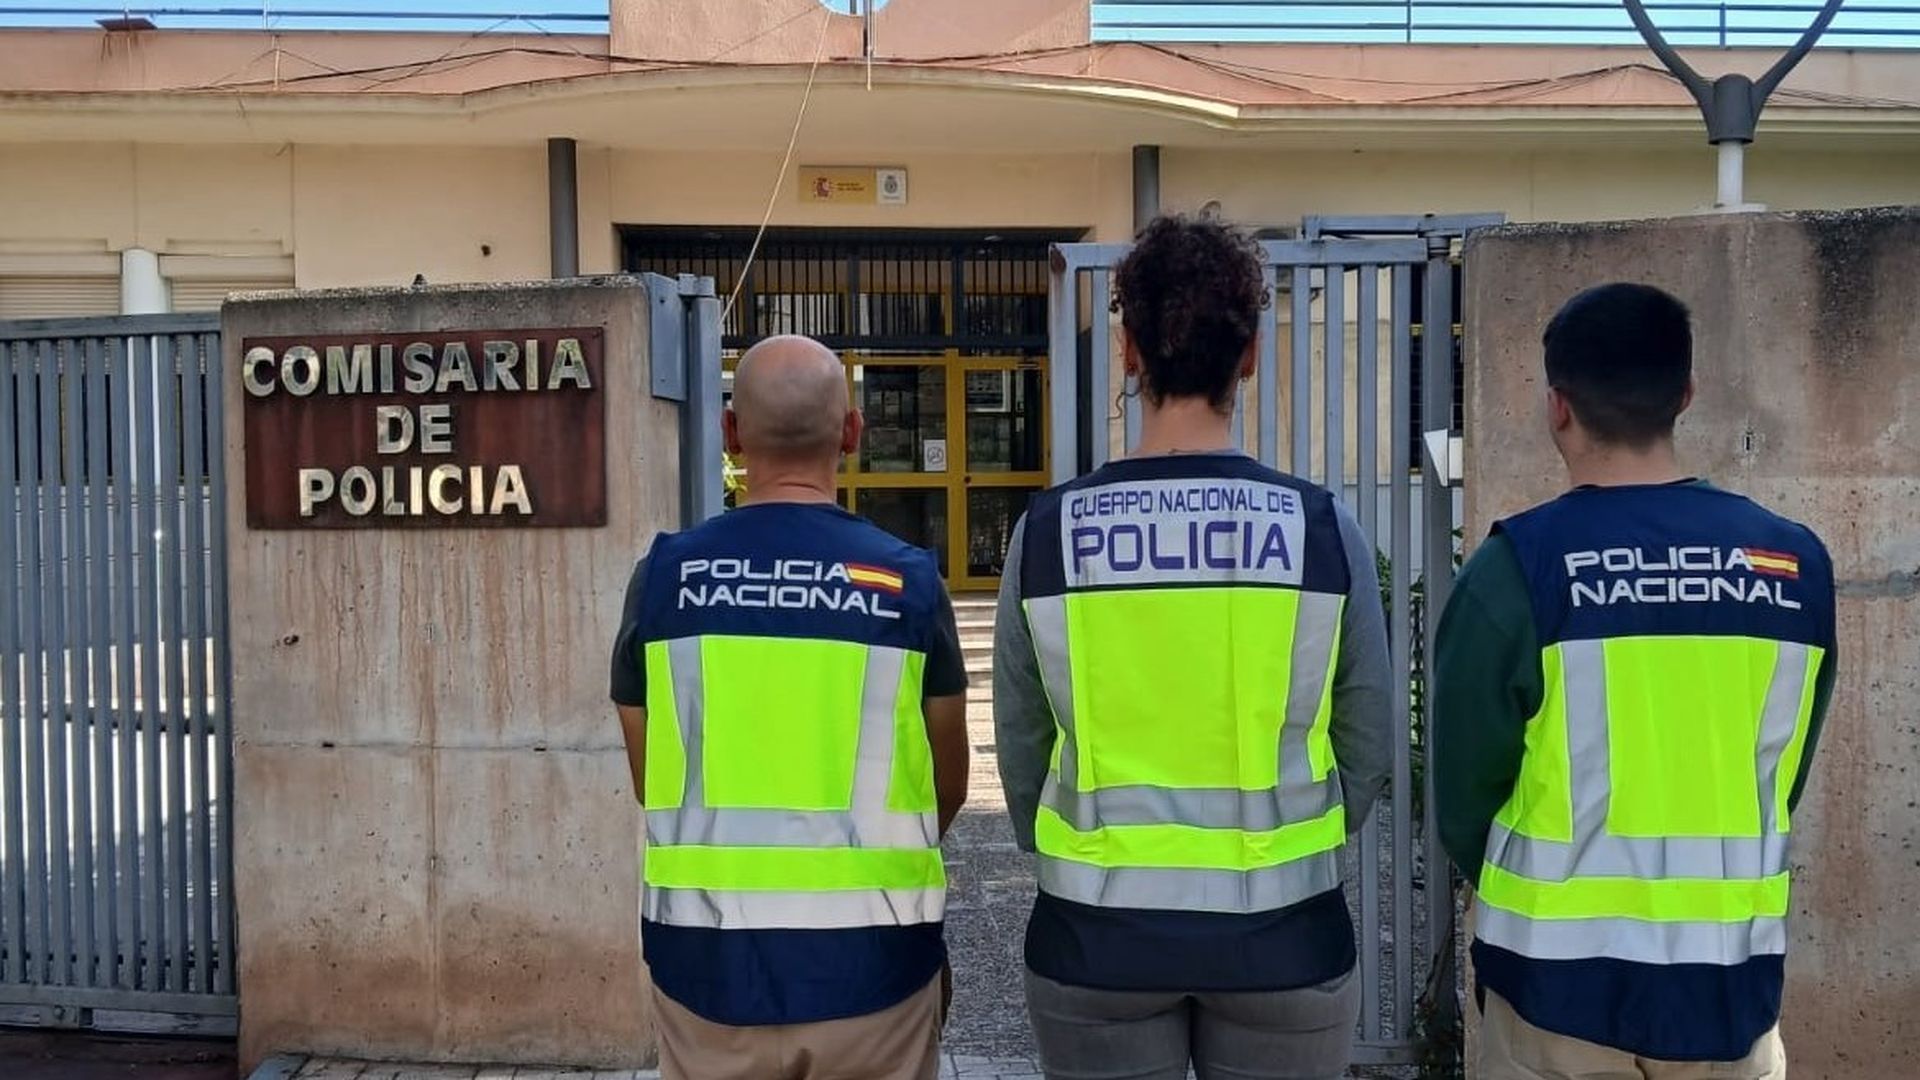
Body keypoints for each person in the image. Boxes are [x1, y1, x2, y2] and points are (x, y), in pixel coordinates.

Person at [993, 214, 1394, 1080]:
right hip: (1287, 935)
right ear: (1248, 354)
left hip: (1094, 937)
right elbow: (1368, 744)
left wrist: (1066, 852)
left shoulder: (1050, 532)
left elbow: (1023, 749)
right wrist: (1300, 845)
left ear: (1129, 351)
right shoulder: (1321, 528)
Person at [1434, 283, 1837, 1080]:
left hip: (1550, 994)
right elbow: (1782, 767)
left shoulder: (1517, 569)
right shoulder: (1793, 566)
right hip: (1729, 993)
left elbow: (1464, 797)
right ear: (1685, 395)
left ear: (1557, 406)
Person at [609, 334, 971, 1080]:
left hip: (706, 965)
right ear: (852, 431)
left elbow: (653, 779)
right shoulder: (905, 582)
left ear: (731, 433)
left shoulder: (664, 578)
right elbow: (945, 786)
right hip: (875, 966)